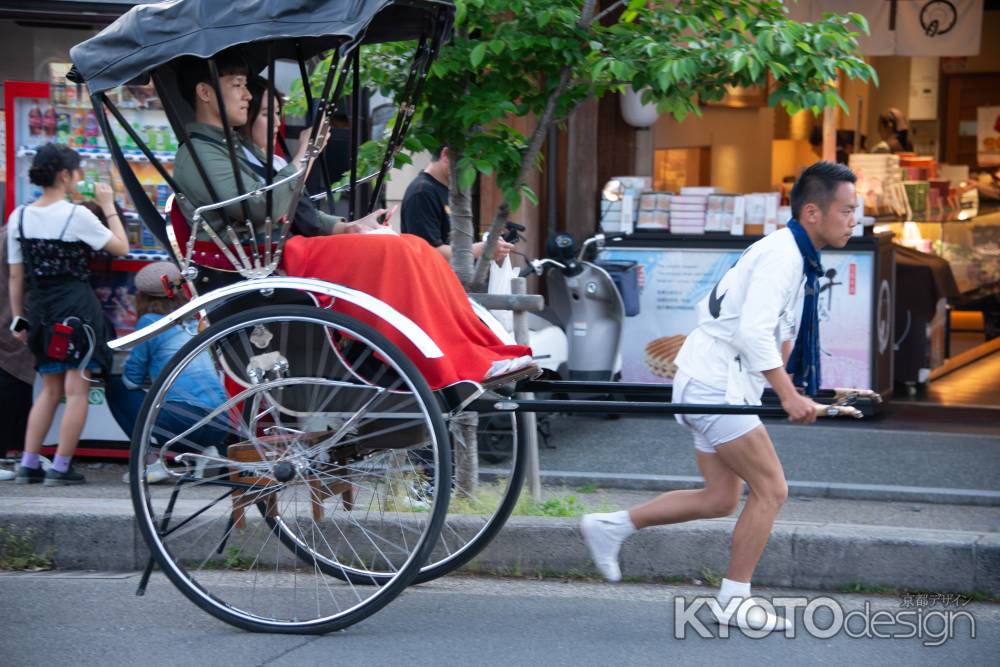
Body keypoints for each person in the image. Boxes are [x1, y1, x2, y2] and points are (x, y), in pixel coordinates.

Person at [580, 161, 858, 632]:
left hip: (711, 377)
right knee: (772, 489)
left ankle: (611, 526)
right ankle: (734, 601)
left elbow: (778, 335)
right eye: (847, 210)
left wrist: (804, 389)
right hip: (717, 384)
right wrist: (788, 395)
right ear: (813, 212)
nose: (855, 220)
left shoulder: (795, 254)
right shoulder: (784, 257)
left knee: (719, 498)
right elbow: (753, 333)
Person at [171, 56, 532, 390]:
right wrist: (302, 158)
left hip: (283, 250)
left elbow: (291, 208)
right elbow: (260, 208)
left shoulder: (231, 147)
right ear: (205, 92)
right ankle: (445, 364)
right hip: (266, 260)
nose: (247, 95)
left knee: (414, 247)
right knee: (393, 252)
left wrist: (344, 227)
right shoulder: (199, 153)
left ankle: (475, 352)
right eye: (237, 84)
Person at [7, 143, 129, 485]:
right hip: (77, 309)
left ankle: (29, 463)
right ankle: (60, 467)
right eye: (77, 171)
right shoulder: (77, 215)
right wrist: (108, 207)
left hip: (41, 311)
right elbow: (121, 246)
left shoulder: (19, 216)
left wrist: (20, 319)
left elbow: (17, 276)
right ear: (64, 175)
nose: (80, 177)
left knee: (49, 389)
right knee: (77, 389)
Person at [105, 261, 228, 483]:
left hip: (183, 421)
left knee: (116, 389)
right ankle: (207, 453)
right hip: (222, 421)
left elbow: (131, 380)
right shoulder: (193, 320)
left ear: (141, 295)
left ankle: (152, 464)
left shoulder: (150, 322)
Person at [400, 145, 514, 264]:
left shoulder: (447, 189)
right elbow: (427, 251)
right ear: (446, 155)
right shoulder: (422, 193)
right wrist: (478, 250)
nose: (472, 171)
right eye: (469, 162)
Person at [0, 231, 36, 481]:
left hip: (11, 317)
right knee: (11, 381)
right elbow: (15, 275)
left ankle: (16, 450)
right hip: (12, 317)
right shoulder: (14, 235)